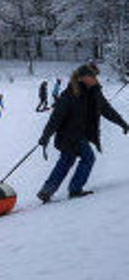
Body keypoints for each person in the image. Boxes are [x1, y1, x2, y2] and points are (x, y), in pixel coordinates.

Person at [37, 64, 129, 203]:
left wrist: (122, 123)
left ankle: (47, 191)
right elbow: (56, 117)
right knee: (88, 158)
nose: (95, 79)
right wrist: (45, 137)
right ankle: (75, 188)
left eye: (95, 76)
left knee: (66, 160)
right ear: (82, 78)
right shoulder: (70, 94)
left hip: (79, 134)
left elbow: (106, 110)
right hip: (69, 135)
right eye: (91, 76)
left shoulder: (94, 93)